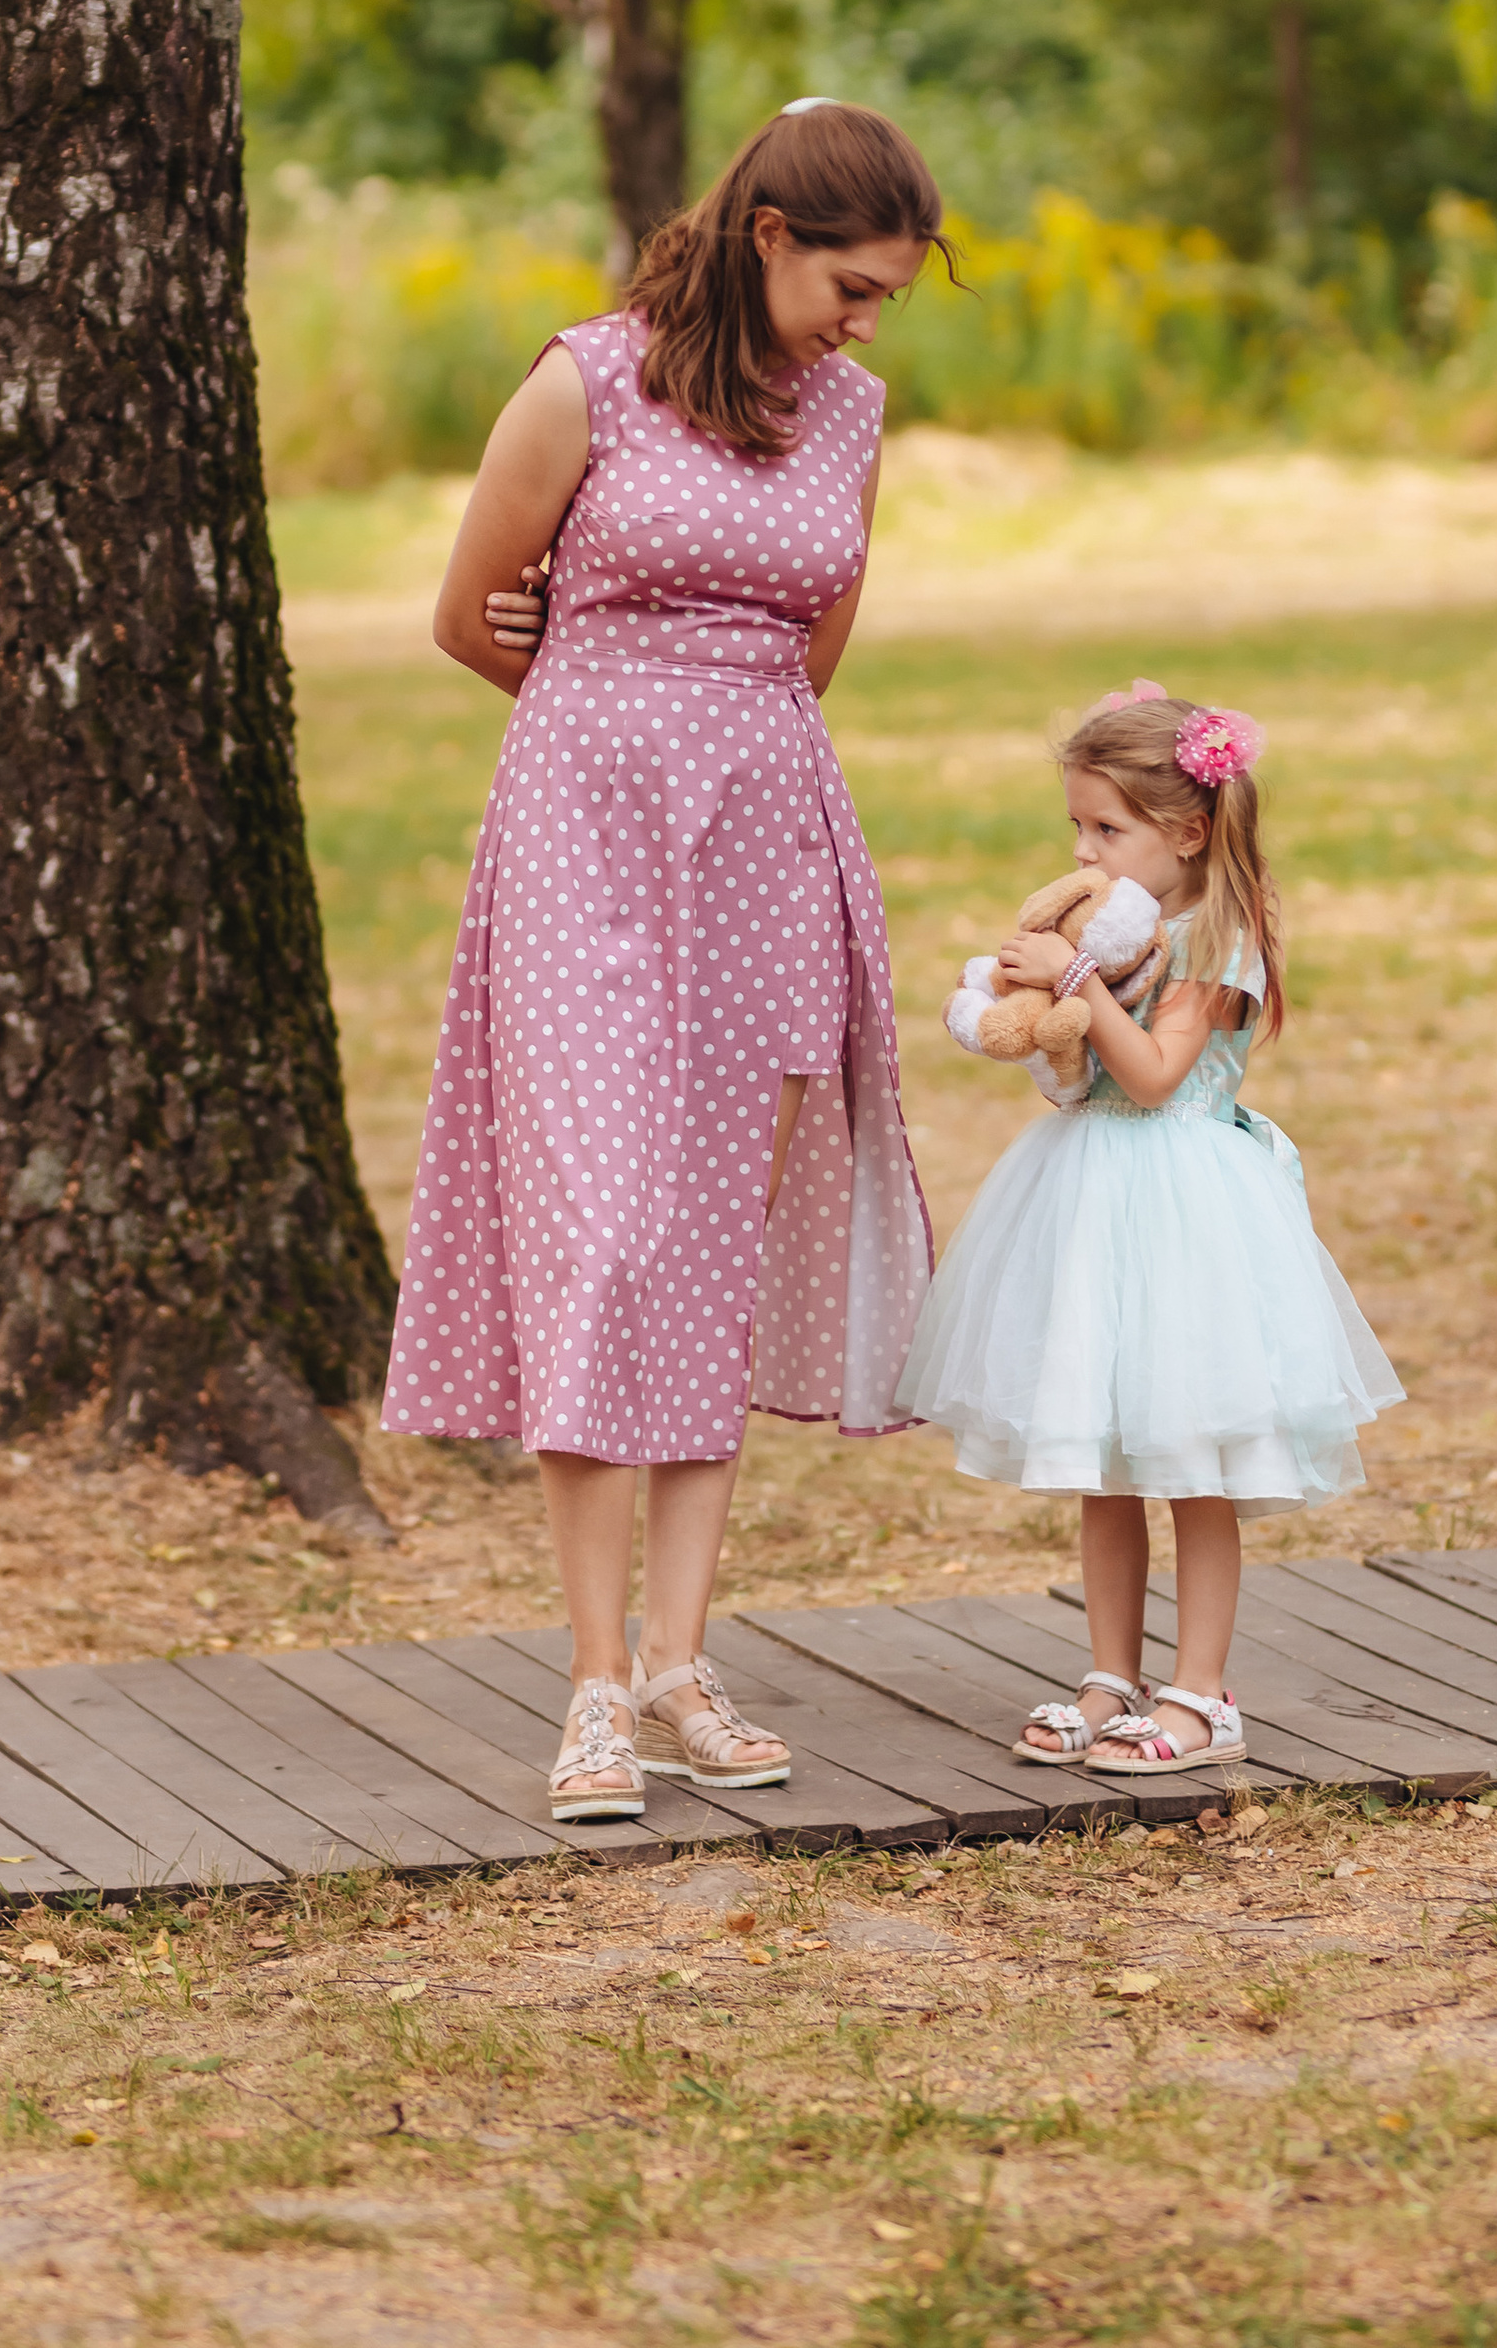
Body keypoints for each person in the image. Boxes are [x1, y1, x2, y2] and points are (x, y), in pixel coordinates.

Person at [382, 102, 944, 1818]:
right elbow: (470, 608)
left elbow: (812, 643)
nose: (867, 321)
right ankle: (593, 1683)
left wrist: (721, 761)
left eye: (889, 298)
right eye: (853, 284)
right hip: (585, 849)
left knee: (705, 1239)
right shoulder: (587, 381)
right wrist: (606, 733)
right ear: (770, 234)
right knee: (608, 1242)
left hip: (770, 843)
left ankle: (688, 1660)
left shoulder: (849, 417)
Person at [895, 683, 1402, 1775]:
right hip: (1088, 1200)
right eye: (1076, 827)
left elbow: (1163, 1074)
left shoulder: (1221, 936)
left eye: (1107, 829)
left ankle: (1201, 1691)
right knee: (1104, 1456)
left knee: (1190, 1456)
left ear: (1186, 831)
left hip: (1186, 1210)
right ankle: (1107, 1673)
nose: (1084, 851)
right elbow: (1085, 1080)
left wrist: (1077, 984)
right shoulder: (1118, 932)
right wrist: (1043, 1032)